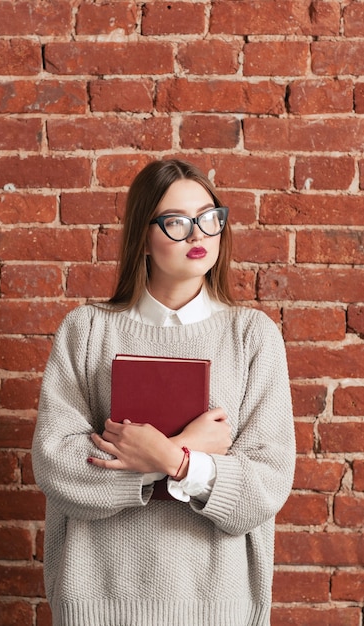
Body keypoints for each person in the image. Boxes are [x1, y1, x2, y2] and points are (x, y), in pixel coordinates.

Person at [32, 159, 296, 626]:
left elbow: (265, 486)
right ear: (143, 237)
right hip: (98, 601)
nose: (198, 235)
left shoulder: (252, 336)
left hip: (216, 603)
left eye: (209, 217)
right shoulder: (86, 331)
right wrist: (181, 451)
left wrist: (174, 460)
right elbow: (58, 467)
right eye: (176, 222)